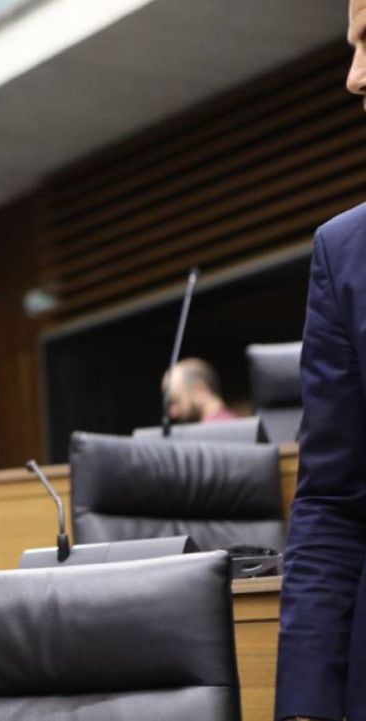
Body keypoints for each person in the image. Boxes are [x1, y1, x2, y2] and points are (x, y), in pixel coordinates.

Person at [275, 3, 366, 718]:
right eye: (351, 47)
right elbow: (333, 502)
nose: (353, 79)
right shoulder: (344, 253)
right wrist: (307, 704)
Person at [162, 357, 237, 423]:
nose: (172, 413)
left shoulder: (214, 432)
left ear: (199, 390)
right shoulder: (231, 424)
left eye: (176, 401)